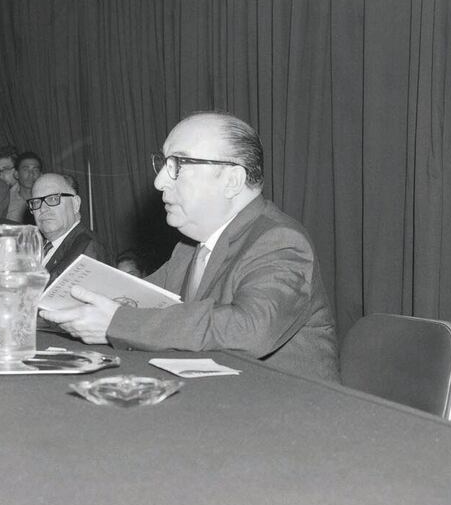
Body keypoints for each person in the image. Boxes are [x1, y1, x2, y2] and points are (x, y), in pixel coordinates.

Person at [40, 112, 340, 382]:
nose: (158, 182)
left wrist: (115, 322)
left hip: (293, 417)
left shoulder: (280, 241)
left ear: (232, 180)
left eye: (178, 165)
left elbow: (249, 329)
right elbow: (134, 300)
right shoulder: (188, 249)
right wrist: (50, 305)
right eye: (163, 164)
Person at [30, 172, 108, 285]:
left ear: (75, 204)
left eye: (52, 199)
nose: (43, 209)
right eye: (36, 202)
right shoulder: (35, 247)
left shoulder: (88, 247)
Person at [12, 151, 42, 224]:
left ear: (41, 175)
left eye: (35, 170)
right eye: (25, 169)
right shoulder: (8, 201)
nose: (31, 174)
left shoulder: (47, 200)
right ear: (16, 174)